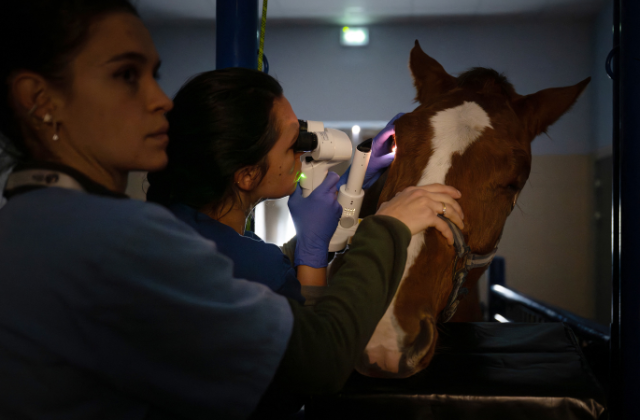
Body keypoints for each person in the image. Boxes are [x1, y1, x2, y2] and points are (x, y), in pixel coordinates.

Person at [0, 1, 465, 419]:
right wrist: (386, 228)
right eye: (126, 74)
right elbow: (318, 361)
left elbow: (225, 277)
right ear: (39, 100)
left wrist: (328, 227)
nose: (160, 100)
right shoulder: (115, 239)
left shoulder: (36, 223)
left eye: (154, 75)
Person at [145, 68, 402, 305]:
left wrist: (356, 178)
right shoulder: (255, 267)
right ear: (248, 175)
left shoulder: (171, 230)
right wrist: (315, 251)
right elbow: (317, 335)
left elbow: (279, 262)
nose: (302, 152)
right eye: (293, 143)